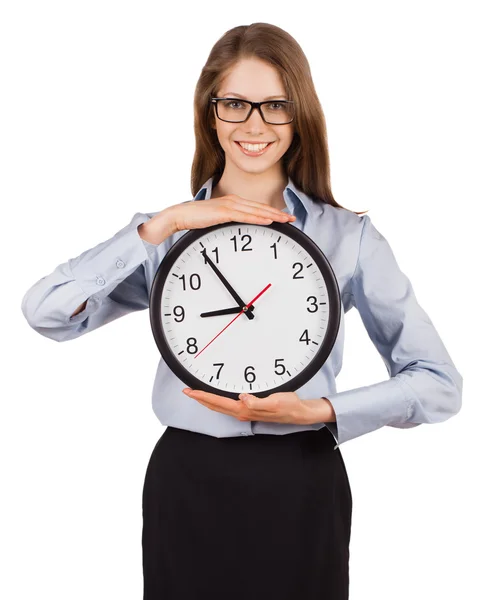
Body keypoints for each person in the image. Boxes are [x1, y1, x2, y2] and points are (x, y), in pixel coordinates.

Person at [21, 22, 462, 600]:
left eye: (275, 105)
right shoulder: (164, 235)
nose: (254, 125)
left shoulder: (348, 238)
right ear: (210, 112)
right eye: (235, 103)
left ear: (298, 114)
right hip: (189, 480)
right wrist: (161, 226)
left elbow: (437, 384)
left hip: (301, 480)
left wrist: (318, 411)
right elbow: (47, 314)